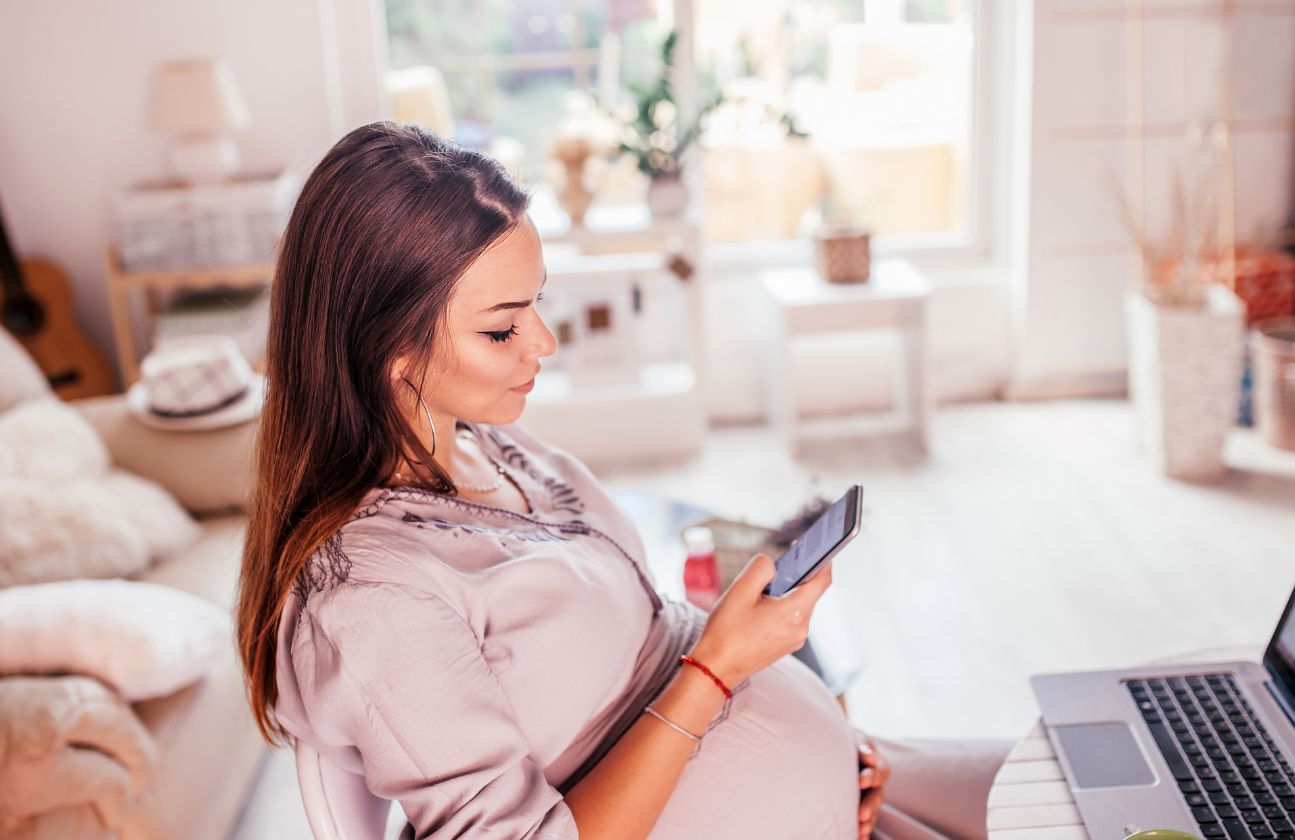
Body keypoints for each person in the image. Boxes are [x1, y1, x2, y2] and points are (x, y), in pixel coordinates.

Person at [236, 122, 1008, 840]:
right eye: (502, 327)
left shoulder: (490, 443)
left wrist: (815, 738)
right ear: (386, 348)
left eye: (536, 303)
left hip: (833, 788)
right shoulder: (371, 601)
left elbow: (620, 639)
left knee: (1079, 776)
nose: (542, 341)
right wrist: (720, 668)